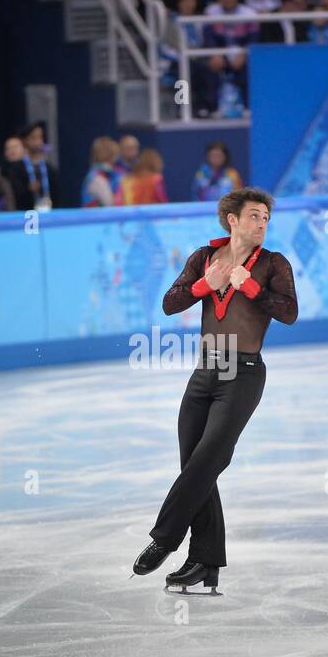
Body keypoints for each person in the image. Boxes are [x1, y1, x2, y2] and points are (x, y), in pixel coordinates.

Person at [131, 187, 298, 595]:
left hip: (243, 373)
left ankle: (164, 539)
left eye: (266, 219)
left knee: (210, 457)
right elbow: (170, 303)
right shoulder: (204, 258)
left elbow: (289, 313)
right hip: (205, 370)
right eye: (255, 216)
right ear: (233, 219)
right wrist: (206, 285)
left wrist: (251, 287)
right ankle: (205, 561)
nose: (262, 224)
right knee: (195, 464)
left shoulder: (273, 264)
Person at [2, 121, 60, 211]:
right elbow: (14, 197)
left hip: (49, 216)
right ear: (25, 140)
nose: (38, 142)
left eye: (40, 137)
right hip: (24, 217)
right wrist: (28, 190)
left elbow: (57, 197)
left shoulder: (50, 169)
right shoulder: (16, 168)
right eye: (34, 138)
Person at [81, 136, 119, 207]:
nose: (117, 158)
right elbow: (111, 205)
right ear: (111, 155)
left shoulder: (102, 175)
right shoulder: (98, 178)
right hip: (95, 217)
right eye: (116, 155)